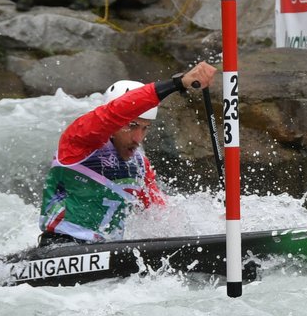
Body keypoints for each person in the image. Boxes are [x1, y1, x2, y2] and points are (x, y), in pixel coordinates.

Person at [39, 62, 218, 245]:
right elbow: (113, 113)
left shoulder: (139, 164)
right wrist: (177, 83)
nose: (138, 138)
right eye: (131, 126)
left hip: (107, 254)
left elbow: (160, 212)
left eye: (145, 128)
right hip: (59, 247)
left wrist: (213, 225)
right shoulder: (79, 140)